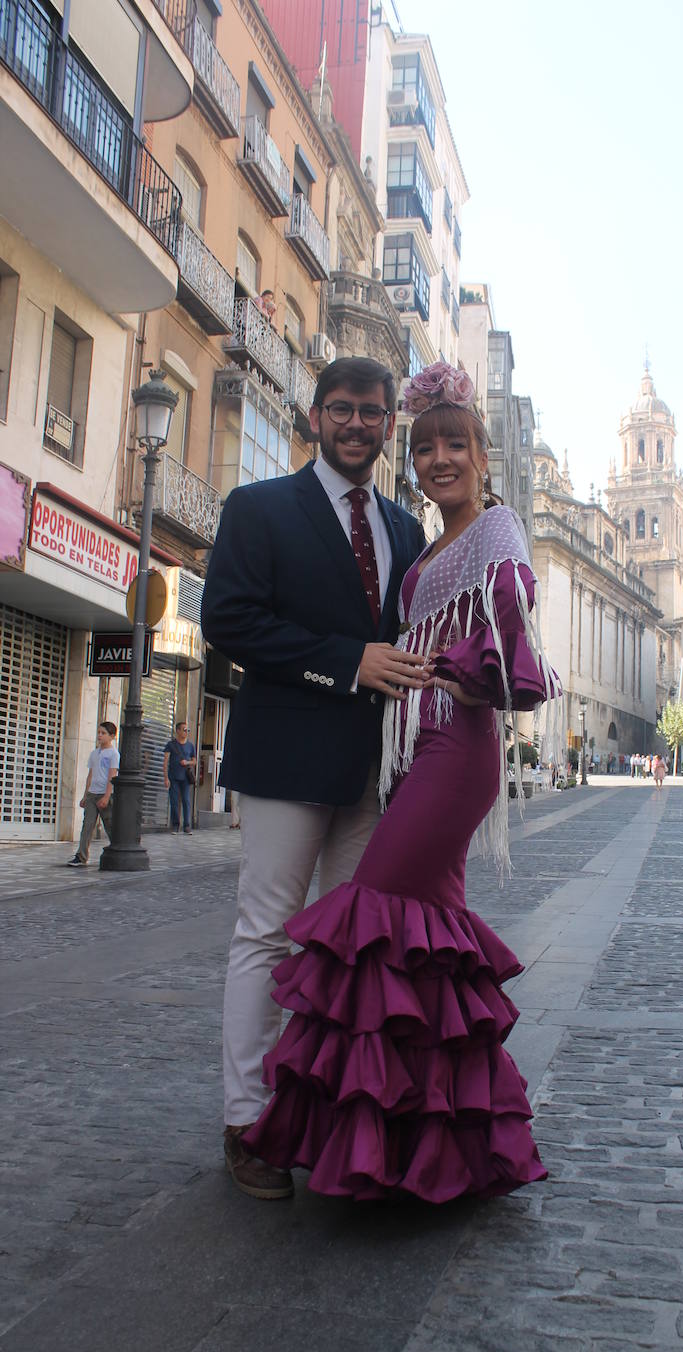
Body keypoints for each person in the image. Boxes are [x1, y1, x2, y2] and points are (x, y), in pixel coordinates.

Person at [241, 362, 562, 1203]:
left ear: (483, 454)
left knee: (371, 917)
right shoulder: (420, 541)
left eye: (455, 444)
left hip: (454, 750)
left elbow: (511, 618)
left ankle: (367, 1137)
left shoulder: (493, 531)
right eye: (426, 448)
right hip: (402, 753)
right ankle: (436, 1139)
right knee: (424, 944)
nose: (439, 459)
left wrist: (476, 676)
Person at [200, 356, 427, 1201]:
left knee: (352, 948)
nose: (356, 424)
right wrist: (346, 663)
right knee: (267, 934)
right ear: (314, 415)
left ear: (388, 423)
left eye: (372, 412)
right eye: (342, 409)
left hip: (374, 774)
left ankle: (334, 1115)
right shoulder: (258, 508)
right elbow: (228, 620)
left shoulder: (404, 529)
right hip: (286, 761)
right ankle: (247, 1121)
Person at [67, 722, 119, 867]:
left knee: (109, 824)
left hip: (105, 794)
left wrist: (107, 796)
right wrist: (85, 795)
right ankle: (81, 856)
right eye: (99, 732)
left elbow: (112, 776)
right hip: (92, 794)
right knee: (87, 825)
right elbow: (90, 775)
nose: (100, 736)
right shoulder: (94, 753)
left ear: (112, 736)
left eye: (103, 733)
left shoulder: (114, 754)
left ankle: (118, 849)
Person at [163, 721, 197, 834]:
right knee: (174, 801)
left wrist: (186, 763)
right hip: (173, 777)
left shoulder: (190, 746)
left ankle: (187, 826)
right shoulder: (171, 745)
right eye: (184, 730)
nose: (186, 732)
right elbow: (166, 761)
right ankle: (175, 825)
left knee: (186, 801)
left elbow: (194, 761)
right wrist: (165, 777)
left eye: (188, 730)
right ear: (177, 731)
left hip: (185, 778)